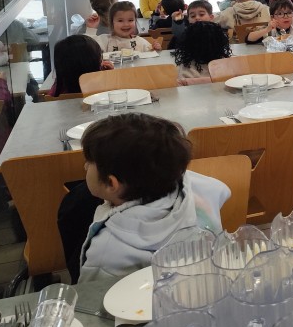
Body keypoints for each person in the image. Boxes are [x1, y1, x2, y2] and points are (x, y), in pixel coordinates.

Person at [76, 114, 229, 282]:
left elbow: (92, 295)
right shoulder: (197, 190)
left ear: (111, 183)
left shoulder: (106, 252)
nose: (85, 166)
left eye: (89, 161)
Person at [86, 1, 161, 54]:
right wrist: (91, 29)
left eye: (130, 20)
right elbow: (88, 49)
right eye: (120, 20)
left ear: (135, 21)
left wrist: (156, 49)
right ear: (112, 22)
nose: (126, 24)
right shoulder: (105, 40)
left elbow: (152, 57)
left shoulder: (140, 42)